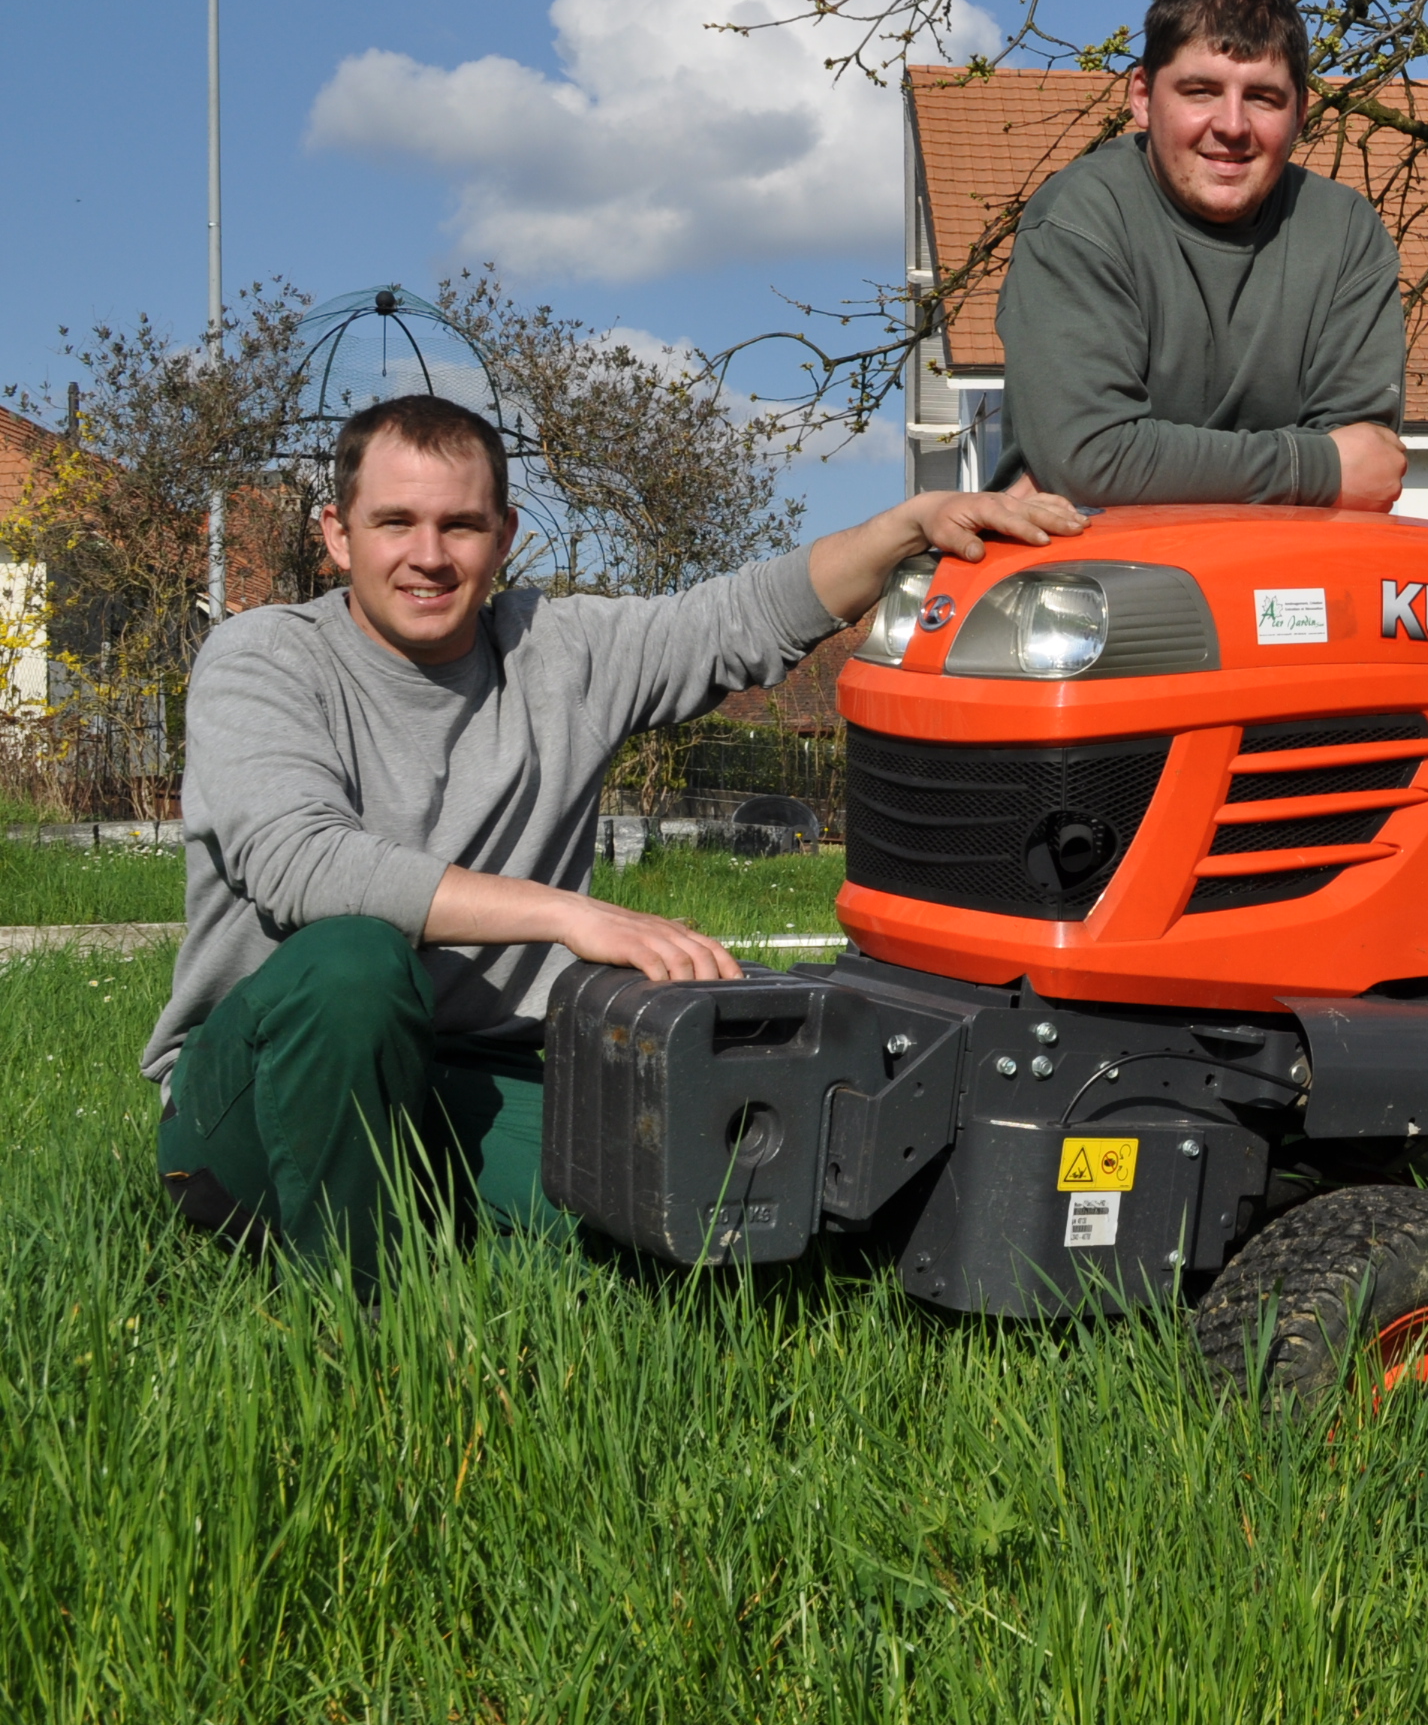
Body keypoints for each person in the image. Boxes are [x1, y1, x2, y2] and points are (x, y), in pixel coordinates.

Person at [146, 393, 1087, 1288]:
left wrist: (908, 524)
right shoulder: (262, 658)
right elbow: (300, 865)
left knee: (702, 1226)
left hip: (463, 1074)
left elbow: (741, 620)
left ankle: (454, 1215)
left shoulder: (557, 650)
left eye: (461, 526)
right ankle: (359, 1327)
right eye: (395, 522)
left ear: (504, 537)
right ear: (336, 536)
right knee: (353, 960)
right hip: (256, 1096)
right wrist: (570, 917)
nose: (428, 556)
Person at [995, 0, 1409, 510]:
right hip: (1099, 574)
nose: (1232, 125)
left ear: (1302, 113)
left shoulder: (1346, 233)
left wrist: (1138, 463)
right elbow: (1090, 458)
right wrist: (1310, 467)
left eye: (1262, 97)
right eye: (1201, 91)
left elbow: (1369, 472)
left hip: (1287, 580)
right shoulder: (1082, 217)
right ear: (1143, 96)